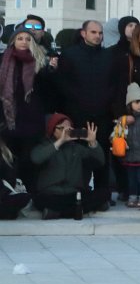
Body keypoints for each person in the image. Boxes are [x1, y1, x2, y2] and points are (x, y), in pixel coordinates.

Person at [49, 19, 118, 209]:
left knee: (101, 155)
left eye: (100, 33)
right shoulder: (70, 55)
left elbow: (115, 84)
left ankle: (102, 195)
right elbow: (62, 84)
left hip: (102, 116)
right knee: (78, 155)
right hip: (77, 115)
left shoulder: (108, 56)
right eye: (93, 32)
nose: (97, 36)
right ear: (83, 33)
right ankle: (78, 193)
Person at [30, 114, 104, 219]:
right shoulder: (44, 146)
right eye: (62, 128)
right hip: (51, 194)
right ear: (53, 130)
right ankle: (76, 211)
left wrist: (92, 142)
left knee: (103, 194)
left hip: (73, 194)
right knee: (39, 200)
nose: (66, 132)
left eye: (69, 129)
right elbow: (36, 158)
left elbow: (100, 161)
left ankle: (57, 213)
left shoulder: (76, 148)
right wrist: (60, 142)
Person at [1, 27, 49, 187]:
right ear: (13, 41)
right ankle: (12, 195)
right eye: (20, 38)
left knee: (30, 162)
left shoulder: (41, 62)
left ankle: (30, 197)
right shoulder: (3, 60)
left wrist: (49, 71)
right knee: (10, 162)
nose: (24, 42)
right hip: (9, 120)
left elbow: (47, 92)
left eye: (28, 39)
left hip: (31, 120)